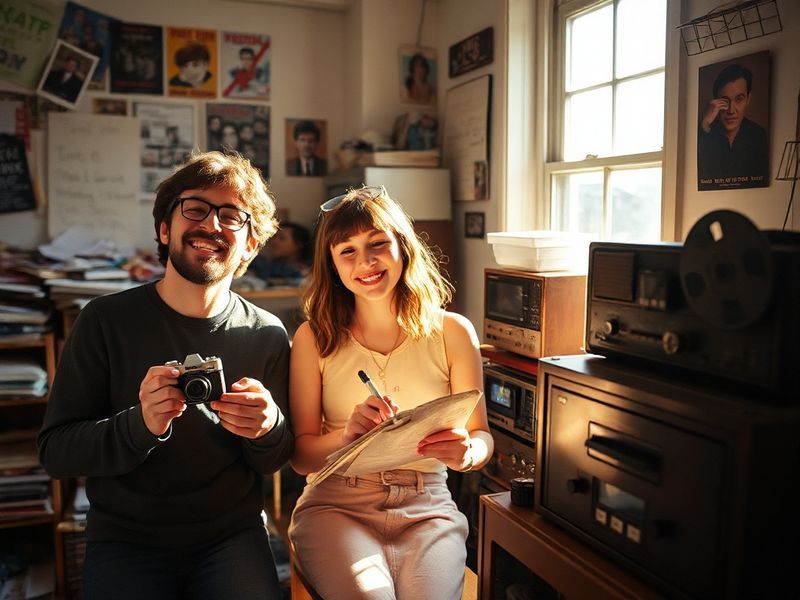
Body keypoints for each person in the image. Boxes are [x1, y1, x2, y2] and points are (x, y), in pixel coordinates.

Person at [37, 151, 294, 600]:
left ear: (251, 244)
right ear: (164, 228)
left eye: (232, 216)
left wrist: (269, 428)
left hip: (230, 537)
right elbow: (57, 452)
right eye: (195, 209)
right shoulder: (104, 321)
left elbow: (273, 461)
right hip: (126, 540)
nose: (212, 225)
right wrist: (140, 425)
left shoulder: (267, 335)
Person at [287, 186, 493, 599]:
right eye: (347, 251)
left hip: (427, 505)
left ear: (403, 246)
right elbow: (300, 457)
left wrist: (468, 454)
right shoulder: (314, 338)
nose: (365, 262)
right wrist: (348, 438)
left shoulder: (453, 332)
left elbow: (482, 436)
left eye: (378, 244)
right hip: (337, 503)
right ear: (332, 265)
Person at [697, 63, 769, 188]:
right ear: (715, 102)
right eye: (724, 101)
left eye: (739, 99)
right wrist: (705, 124)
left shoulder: (758, 135)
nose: (731, 110)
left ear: (748, 99)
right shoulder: (705, 134)